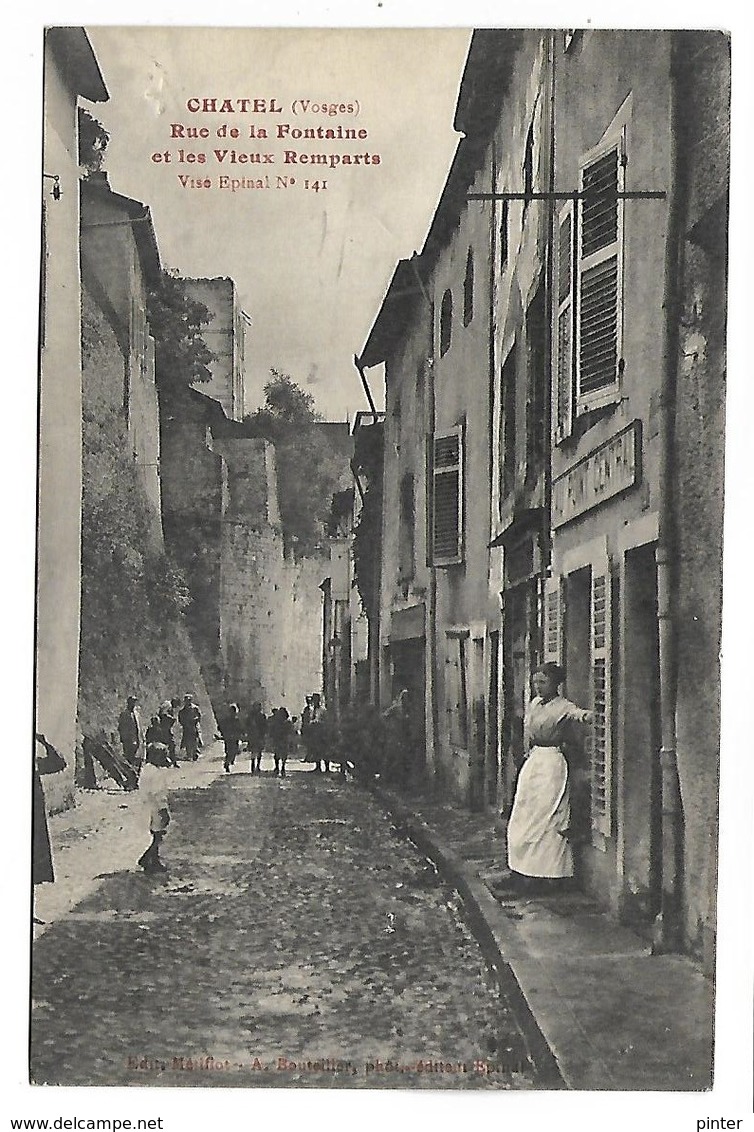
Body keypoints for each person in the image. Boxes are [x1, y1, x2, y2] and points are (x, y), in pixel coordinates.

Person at [506, 662, 593, 889]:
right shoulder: (534, 704)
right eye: (535, 682)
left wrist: (591, 716)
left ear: (556, 683)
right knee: (523, 814)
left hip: (552, 763)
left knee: (547, 817)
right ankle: (521, 871)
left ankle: (549, 876)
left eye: (543, 682)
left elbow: (579, 715)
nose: (538, 687)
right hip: (534, 761)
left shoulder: (563, 706)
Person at [137, 742, 172, 874]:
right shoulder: (156, 773)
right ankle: (148, 859)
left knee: (154, 834)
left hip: (146, 806)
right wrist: (164, 809)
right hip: (156, 807)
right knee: (158, 835)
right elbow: (158, 793)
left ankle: (151, 859)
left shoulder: (146, 769)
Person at [117, 696, 142, 772]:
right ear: (128, 703)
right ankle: (130, 774)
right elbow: (121, 727)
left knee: (137, 758)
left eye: (134, 702)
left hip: (137, 739)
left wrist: (141, 738)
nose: (133, 704)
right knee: (129, 757)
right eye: (132, 702)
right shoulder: (124, 714)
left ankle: (135, 773)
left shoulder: (136, 714)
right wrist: (124, 739)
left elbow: (139, 726)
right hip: (128, 740)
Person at [219, 702, 244, 773]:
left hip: (230, 736)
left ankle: (228, 761)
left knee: (230, 750)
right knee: (232, 750)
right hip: (232, 736)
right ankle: (228, 762)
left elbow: (239, 727)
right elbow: (239, 727)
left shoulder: (231, 719)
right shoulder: (234, 719)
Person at [178, 694, 202, 762]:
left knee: (195, 740)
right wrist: (184, 723)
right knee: (187, 740)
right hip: (187, 727)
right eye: (186, 700)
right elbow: (180, 718)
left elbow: (199, 716)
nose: (187, 702)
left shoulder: (195, 708)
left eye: (189, 700)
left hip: (194, 726)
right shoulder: (182, 710)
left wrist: (195, 720)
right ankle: (189, 754)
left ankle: (195, 753)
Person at [246, 701, 267, 774]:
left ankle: (257, 765)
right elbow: (247, 726)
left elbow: (264, 726)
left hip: (259, 736)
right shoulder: (250, 717)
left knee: (259, 751)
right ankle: (253, 765)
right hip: (253, 736)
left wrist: (264, 734)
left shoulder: (262, 716)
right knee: (253, 751)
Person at [157, 700, 179, 767]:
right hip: (164, 729)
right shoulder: (168, 705)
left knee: (170, 745)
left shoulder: (169, 706)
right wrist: (172, 718)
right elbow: (162, 714)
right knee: (171, 744)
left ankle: (171, 761)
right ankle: (171, 761)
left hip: (166, 728)